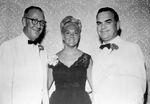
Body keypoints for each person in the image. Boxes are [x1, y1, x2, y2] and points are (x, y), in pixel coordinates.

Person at [92, 7, 147, 104]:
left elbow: (138, 88)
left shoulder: (132, 48)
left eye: (108, 22)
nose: (102, 27)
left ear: (117, 25)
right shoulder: (96, 56)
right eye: (99, 23)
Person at [0, 6, 49, 104]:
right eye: (34, 20)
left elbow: (44, 88)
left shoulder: (43, 52)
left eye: (41, 22)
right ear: (24, 22)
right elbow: (4, 89)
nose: (38, 26)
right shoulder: (8, 47)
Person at [47, 16, 93, 104]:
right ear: (62, 35)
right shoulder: (53, 59)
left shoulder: (87, 59)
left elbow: (95, 88)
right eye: (68, 33)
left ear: (79, 35)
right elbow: (46, 87)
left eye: (75, 33)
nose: (72, 36)